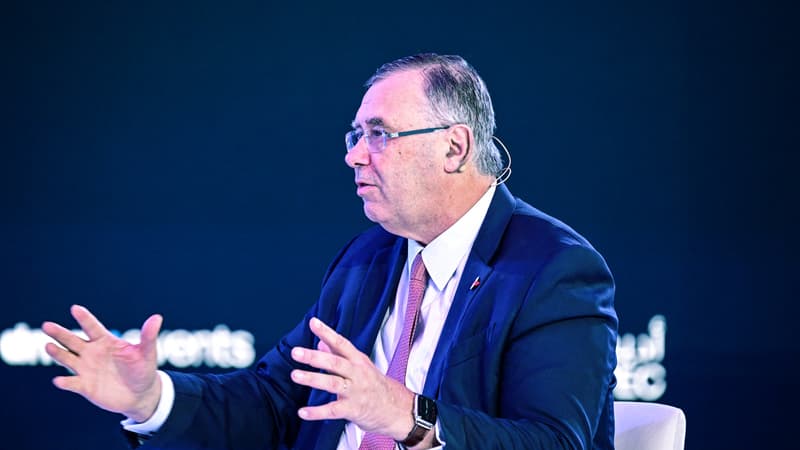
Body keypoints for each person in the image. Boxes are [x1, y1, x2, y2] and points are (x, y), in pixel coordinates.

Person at [43, 53, 618, 449]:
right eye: (355, 136)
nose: (354, 156)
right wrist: (152, 398)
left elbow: (552, 441)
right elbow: (273, 402)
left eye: (379, 135)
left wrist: (405, 416)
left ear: (454, 147)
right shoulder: (367, 260)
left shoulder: (552, 269)